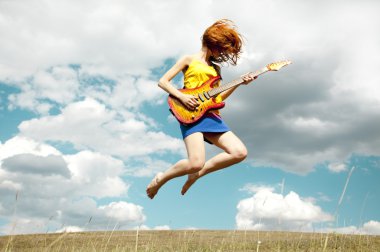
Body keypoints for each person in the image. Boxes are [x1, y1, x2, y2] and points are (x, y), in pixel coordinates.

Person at [146, 19, 257, 199]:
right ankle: (162, 178)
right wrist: (182, 96)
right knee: (195, 162)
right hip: (190, 113)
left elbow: (217, 97)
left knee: (239, 152)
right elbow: (163, 82)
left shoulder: (215, 69)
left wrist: (239, 83)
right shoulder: (188, 59)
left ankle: (198, 174)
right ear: (212, 41)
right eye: (220, 47)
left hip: (211, 115)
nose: (222, 52)